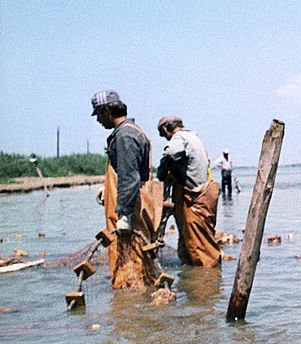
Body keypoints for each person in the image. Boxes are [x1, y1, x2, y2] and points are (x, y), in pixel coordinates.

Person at [91, 90, 163, 288]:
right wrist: (106, 188)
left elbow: (129, 178)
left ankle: (132, 309)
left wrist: (124, 215)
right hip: (135, 201)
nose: (98, 119)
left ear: (107, 110)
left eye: (98, 113)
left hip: (132, 208)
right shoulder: (132, 131)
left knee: (132, 263)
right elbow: (127, 172)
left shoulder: (125, 136)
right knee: (137, 258)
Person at [156, 115, 222, 267]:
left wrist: (162, 172)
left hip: (195, 196)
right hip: (204, 194)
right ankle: (202, 277)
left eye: (163, 134)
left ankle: (204, 282)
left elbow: (171, 153)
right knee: (199, 239)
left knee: (200, 244)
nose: (165, 138)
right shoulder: (193, 137)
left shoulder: (179, 138)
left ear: (166, 129)